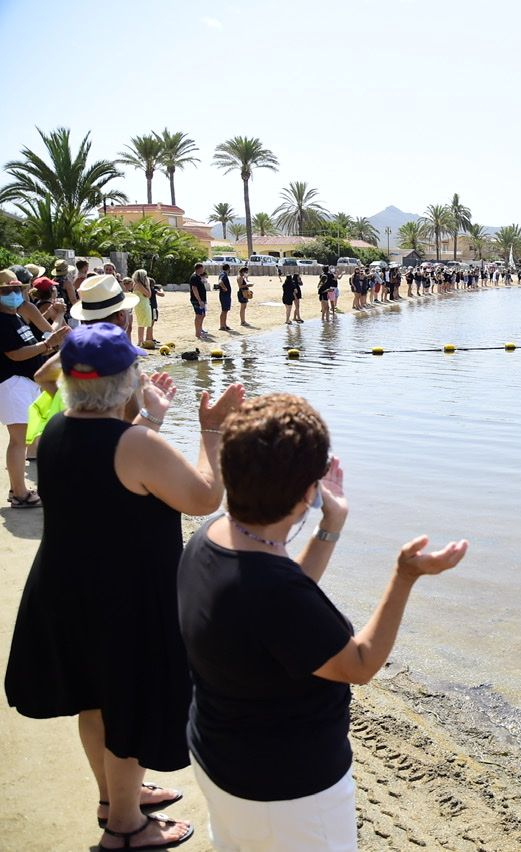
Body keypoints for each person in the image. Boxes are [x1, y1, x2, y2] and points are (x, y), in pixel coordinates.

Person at [176, 394, 468, 850]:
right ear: (307, 492)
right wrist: (405, 575)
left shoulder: (210, 538)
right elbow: (360, 665)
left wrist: (331, 525)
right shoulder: (275, 592)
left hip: (219, 756)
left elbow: (280, 612)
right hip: (285, 792)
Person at [5, 323, 244, 851]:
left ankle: (115, 800)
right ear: (125, 380)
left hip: (66, 587)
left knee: (94, 702)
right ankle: (126, 829)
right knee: (126, 706)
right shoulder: (131, 443)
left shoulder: (61, 430)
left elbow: (116, 469)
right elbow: (204, 497)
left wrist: (149, 416)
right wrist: (212, 430)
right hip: (123, 599)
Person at [1, 269, 69, 507]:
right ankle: (19, 493)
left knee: (20, 440)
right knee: (18, 440)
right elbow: (15, 354)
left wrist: (47, 346)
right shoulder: (3, 320)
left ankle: (17, 489)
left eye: (16, 289)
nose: (13, 294)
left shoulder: (15, 316)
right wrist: (47, 344)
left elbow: (30, 345)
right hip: (12, 382)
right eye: (6, 290)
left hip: (22, 382)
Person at [131, 269, 155, 347]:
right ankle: (140, 341)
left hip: (141, 304)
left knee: (142, 323)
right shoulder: (139, 285)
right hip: (142, 305)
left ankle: (141, 341)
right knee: (142, 323)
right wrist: (148, 285)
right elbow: (148, 295)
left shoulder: (136, 284)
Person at [189, 263, 209, 339]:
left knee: (203, 314)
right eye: (202, 268)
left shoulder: (198, 277)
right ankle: (198, 333)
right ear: (199, 268)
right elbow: (194, 289)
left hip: (202, 300)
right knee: (199, 316)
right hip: (196, 300)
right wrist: (199, 300)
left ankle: (200, 330)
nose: (203, 270)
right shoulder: (194, 277)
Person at [216, 264, 233, 331]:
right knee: (224, 310)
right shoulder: (223, 274)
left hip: (225, 295)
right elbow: (220, 282)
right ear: (228, 268)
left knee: (225, 310)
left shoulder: (223, 274)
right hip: (224, 295)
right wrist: (225, 288)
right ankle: (222, 326)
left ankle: (224, 325)